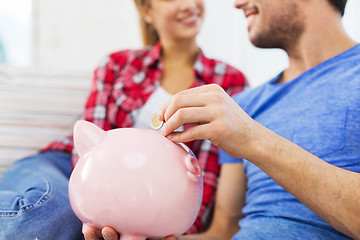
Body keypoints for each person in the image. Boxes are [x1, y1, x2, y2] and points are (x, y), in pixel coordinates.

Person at [0, 0, 247, 239]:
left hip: (139, 200)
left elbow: (205, 174)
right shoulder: (118, 65)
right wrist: (96, 207)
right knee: (38, 220)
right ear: (147, 11)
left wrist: (166, 229)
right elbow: (88, 148)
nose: (189, 4)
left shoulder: (228, 82)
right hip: (70, 169)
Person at [157, 0, 360, 239]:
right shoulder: (244, 106)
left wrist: (253, 140)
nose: (238, 4)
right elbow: (223, 232)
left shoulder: (240, 123)